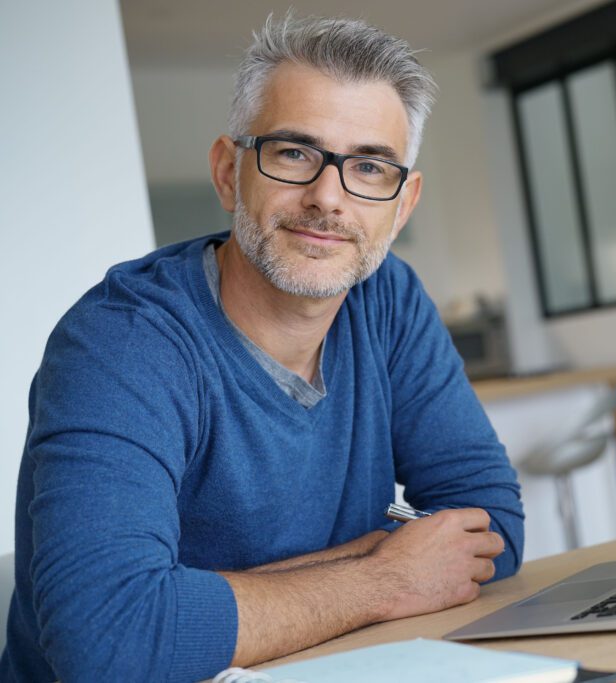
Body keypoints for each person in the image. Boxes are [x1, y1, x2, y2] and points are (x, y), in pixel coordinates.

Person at [0, 14, 524, 683]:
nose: (327, 197)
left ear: (403, 202)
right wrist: (385, 576)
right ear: (228, 171)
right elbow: (108, 639)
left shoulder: (387, 299)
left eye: (369, 166)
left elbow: (491, 520)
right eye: (293, 152)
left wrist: (208, 601)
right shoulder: (121, 343)